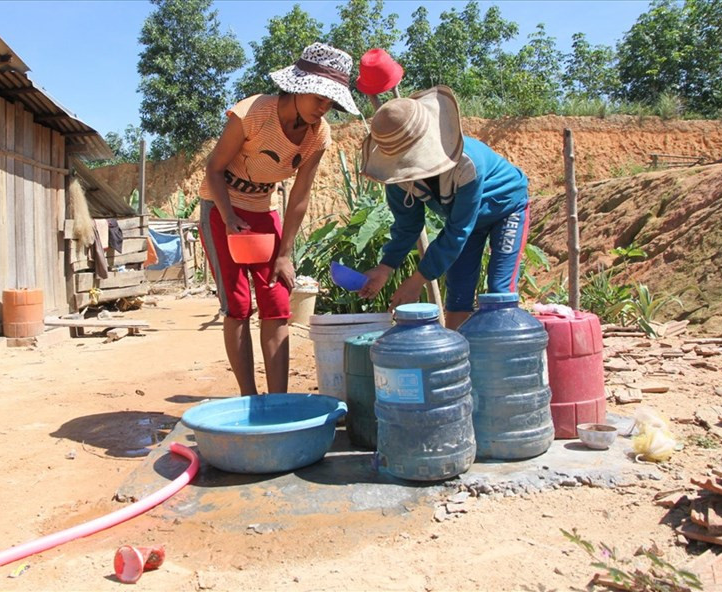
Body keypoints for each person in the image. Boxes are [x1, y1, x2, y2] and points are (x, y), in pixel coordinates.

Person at [198, 43, 359, 395]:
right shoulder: (253, 113)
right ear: (299, 85)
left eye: (330, 101)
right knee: (238, 305)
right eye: (320, 96)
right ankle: (249, 397)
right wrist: (227, 218)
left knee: (277, 301)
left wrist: (285, 253)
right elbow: (213, 168)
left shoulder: (319, 135)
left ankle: (279, 400)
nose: (324, 107)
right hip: (221, 208)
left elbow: (299, 196)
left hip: (262, 212)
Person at [358, 85, 530, 330]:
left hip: (505, 208)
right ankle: (459, 356)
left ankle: (502, 359)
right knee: (458, 291)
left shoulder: (465, 165)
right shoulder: (397, 177)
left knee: (499, 290)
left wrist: (418, 279)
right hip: (465, 221)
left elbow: (458, 231)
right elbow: (408, 226)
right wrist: (386, 267)